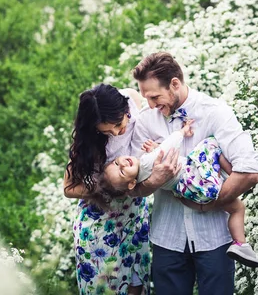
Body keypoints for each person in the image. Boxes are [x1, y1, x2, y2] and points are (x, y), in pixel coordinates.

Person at [127, 52, 258, 295]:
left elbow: (249, 170)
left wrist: (208, 204)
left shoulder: (215, 112)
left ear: (175, 84)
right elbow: (134, 185)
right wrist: (156, 178)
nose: (150, 105)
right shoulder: (146, 121)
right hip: (166, 238)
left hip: (214, 239)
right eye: (146, 97)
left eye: (155, 96)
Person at [95, 119, 258, 268]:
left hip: (192, 193)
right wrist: (183, 131)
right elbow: (170, 145)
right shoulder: (146, 162)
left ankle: (239, 242)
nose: (122, 164)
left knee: (236, 208)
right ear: (131, 183)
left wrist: (155, 149)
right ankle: (233, 175)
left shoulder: (142, 178)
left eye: (117, 162)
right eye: (122, 172)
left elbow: (156, 159)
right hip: (197, 177)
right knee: (212, 146)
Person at [64, 83, 179, 295]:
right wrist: (104, 187)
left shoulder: (133, 99)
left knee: (137, 284)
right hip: (100, 223)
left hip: (134, 214)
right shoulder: (88, 141)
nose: (118, 132)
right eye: (107, 131)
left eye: (118, 123)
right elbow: (68, 188)